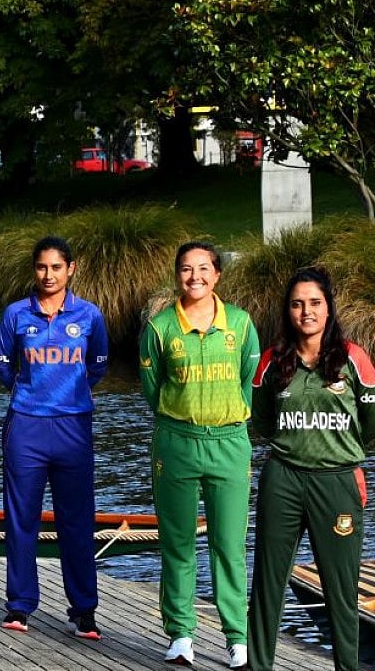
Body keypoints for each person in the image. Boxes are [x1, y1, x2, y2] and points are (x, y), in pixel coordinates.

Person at [139, 241, 259, 669]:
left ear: (218, 274)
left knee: (229, 545)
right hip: (177, 442)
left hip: (229, 443)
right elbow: (154, 393)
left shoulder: (242, 325)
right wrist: (184, 421)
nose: (196, 278)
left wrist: (225, 420)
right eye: (187, 270)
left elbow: (248, 383)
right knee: (179, 544)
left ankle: (237, 638)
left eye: (204, 269)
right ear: (177, 275)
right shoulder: (160, 328)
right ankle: (181, 635)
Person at [248, 268, 373, 671]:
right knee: (268, 582)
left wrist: (343, 456)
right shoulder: (272, 361)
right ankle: (259, 664)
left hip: (337, 481)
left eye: (315, 303)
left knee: (341, 590)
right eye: (297, 303)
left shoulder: (354, 359)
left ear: (329, 307)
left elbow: (370, 426)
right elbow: (263, 422)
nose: (306, 311)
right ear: (288, 310)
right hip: (283, 478)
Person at [0, 236, 109, 638]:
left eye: (56, 268)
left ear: (70, 269)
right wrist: (33, 391)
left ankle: (83, 611)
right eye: (42, 267)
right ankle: (20, 605)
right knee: (21, 518)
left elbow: (96, 366)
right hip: (26, 424)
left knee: (76, 522)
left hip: (74, 426)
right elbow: (4, 368)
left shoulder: (90, 316)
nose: (48, 275)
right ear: (34, 269)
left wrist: (69, 391)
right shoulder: (15, 314)